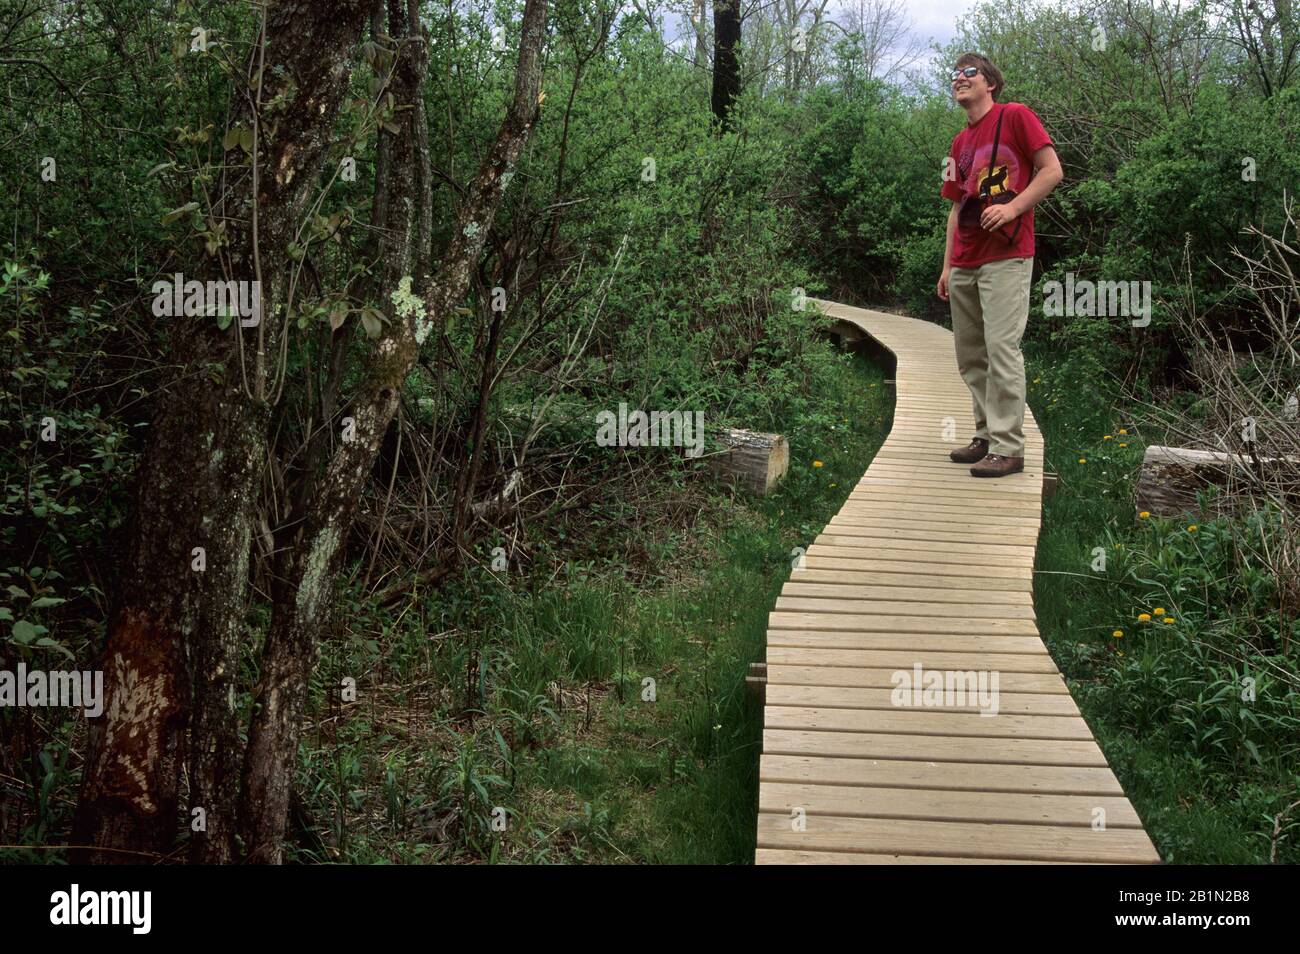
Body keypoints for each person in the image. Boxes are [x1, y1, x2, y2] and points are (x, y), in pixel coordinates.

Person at [936, 53, 1063, 477]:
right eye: (955, 74)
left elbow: (1051, 171)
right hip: (966, 258)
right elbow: (956, 210)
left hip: (1007, 255)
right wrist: (947, 267)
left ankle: (1009, 447)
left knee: (1002, 349)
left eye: (969, 72)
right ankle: (986, 436)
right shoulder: (959, 143)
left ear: (990, 82)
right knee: (971, 354)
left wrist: (1013, 209)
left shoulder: (1015, 117)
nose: (960, 78)